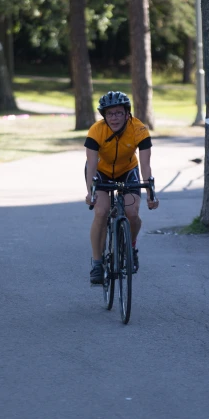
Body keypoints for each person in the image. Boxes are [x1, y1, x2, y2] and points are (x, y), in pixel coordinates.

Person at [85, 91, 159, 285]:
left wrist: (151, 194)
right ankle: (97, 263)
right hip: (101, 172)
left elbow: (145, 166)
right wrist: (89, 192)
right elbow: (91, 164)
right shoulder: (96, 130)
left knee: (132, 213)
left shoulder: (139, 129)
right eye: (110, 114)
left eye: (119, 113)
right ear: (104, 116)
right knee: (101, 212)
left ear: (127, 114)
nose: (114, 118)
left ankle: (131, 247)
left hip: (128, 170)